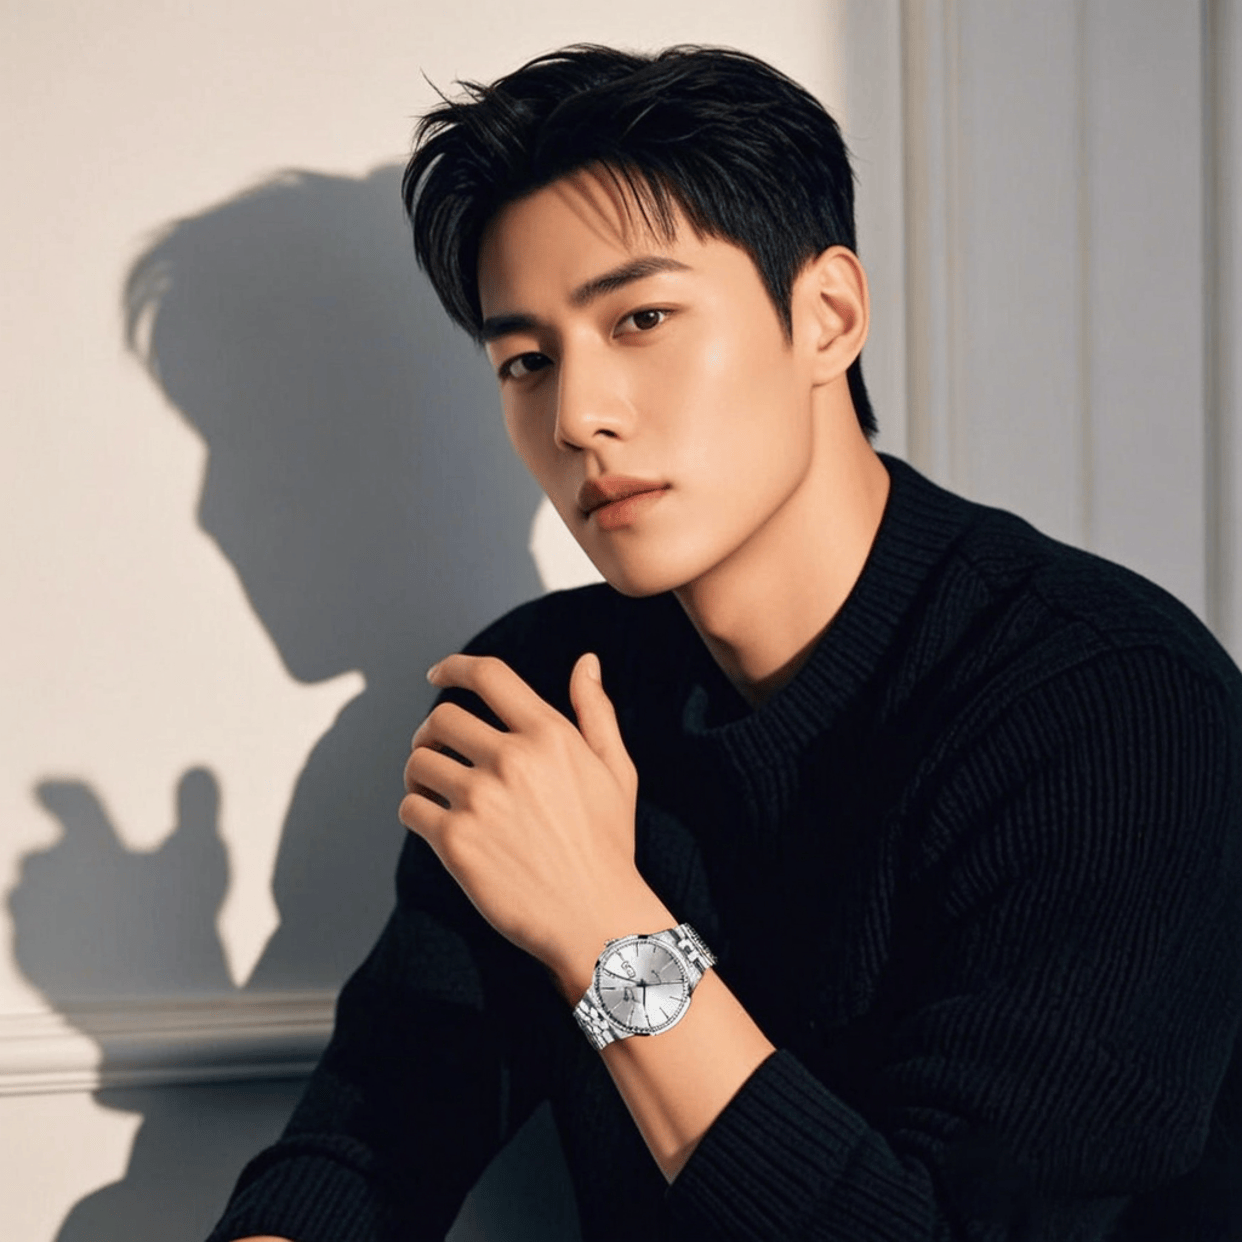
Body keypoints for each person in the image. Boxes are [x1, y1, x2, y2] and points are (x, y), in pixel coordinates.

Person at [207, 44, 1242, 1242]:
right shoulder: (544, 698)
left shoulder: (1110, 707)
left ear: (828, 317)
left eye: (642, 318)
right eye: (526, 361)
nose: (576, 415)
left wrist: (603, 926)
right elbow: (377, 1136)